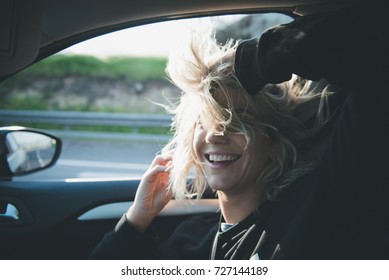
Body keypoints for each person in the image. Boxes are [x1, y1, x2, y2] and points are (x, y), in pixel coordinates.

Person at [90, 2, 388, 260]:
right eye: (204, 122)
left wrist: (252, 61)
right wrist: (137, 219)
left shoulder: (316, 210)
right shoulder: (189, 242)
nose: (216, 134)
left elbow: (374, 42)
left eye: (237, 120)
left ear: (272, 140)